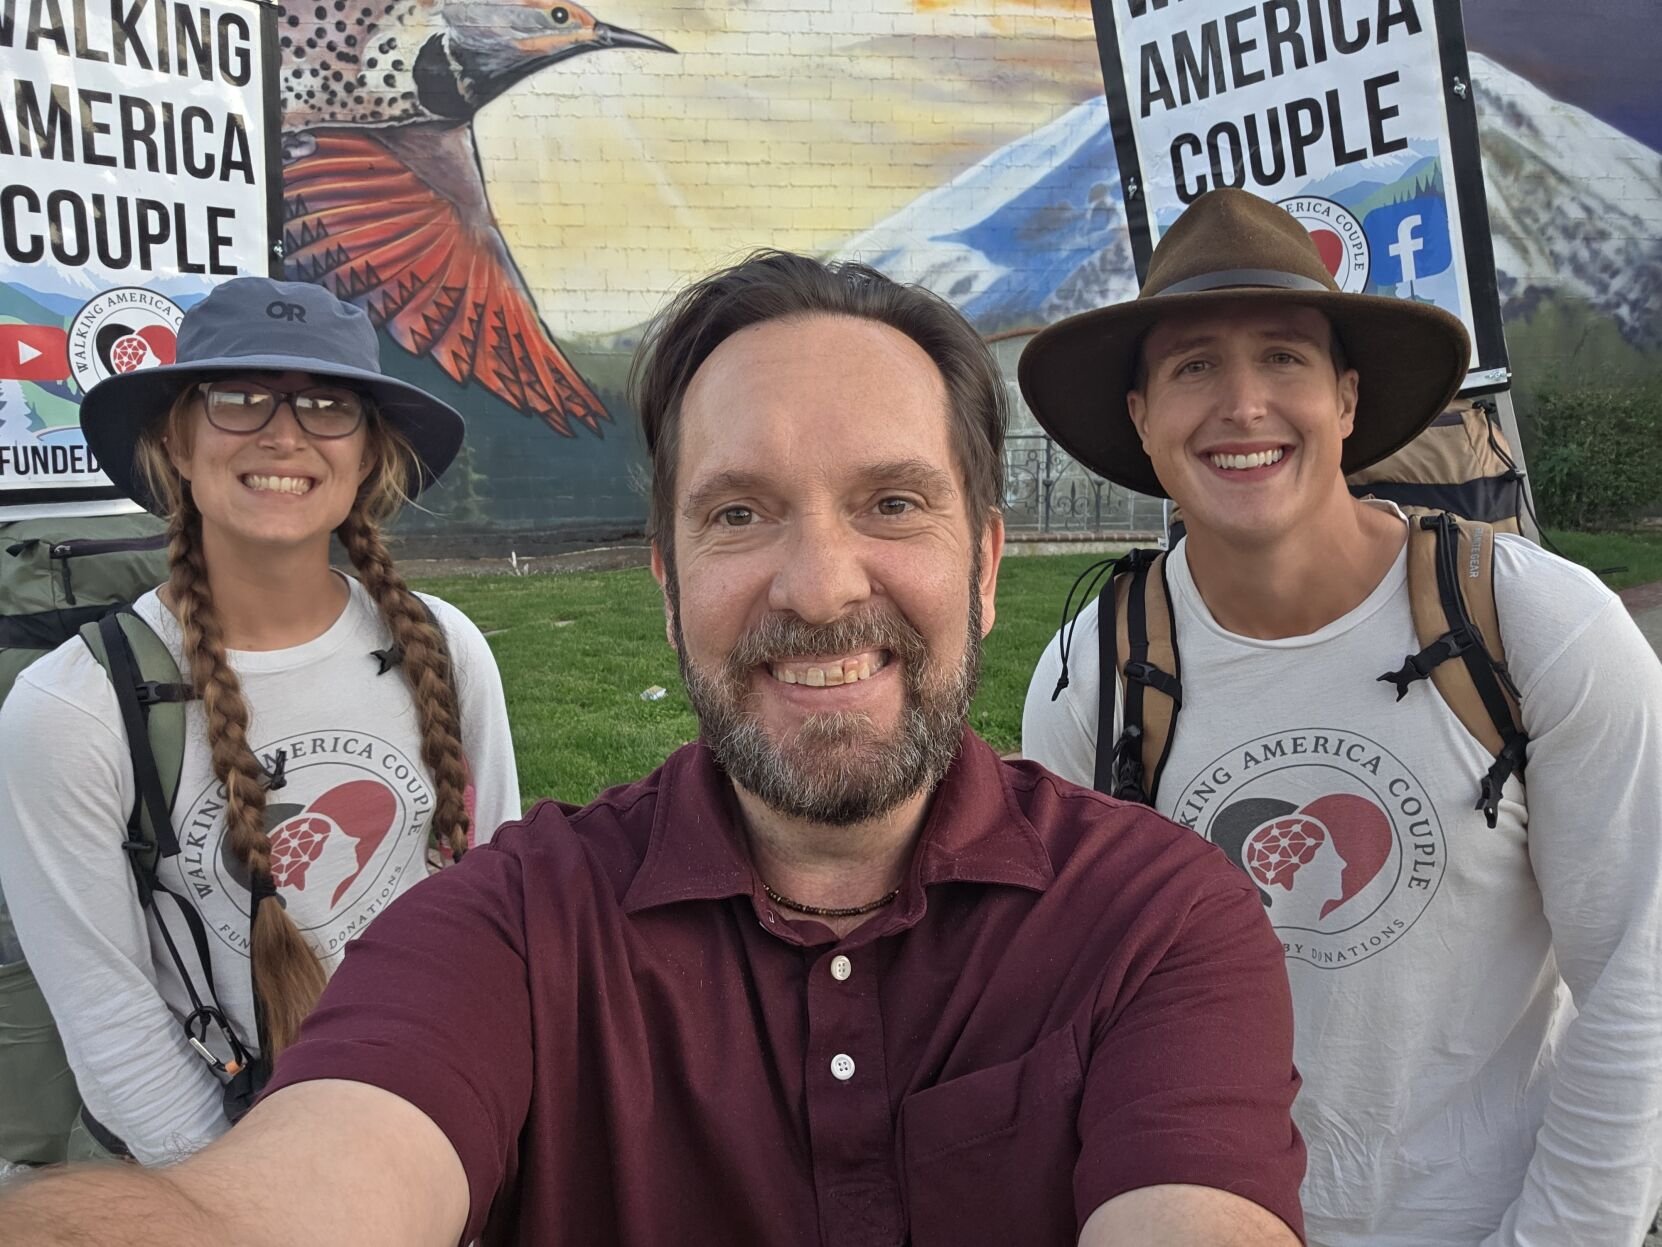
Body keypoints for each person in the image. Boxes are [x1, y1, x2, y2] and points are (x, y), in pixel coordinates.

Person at [0, 252, 1304, 1245]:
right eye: (739, 510)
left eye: (890, 500)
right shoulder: (516, 928)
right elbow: (284, 1191)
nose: (817, 580)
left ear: (985, 561)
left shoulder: (1152, 917)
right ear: (668, 583)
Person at [1019, 189, 1662, 1246]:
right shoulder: (1092, 675)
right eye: (1192, 367)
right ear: (1140, 416)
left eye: (1283, 357)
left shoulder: (1538, 625)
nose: (1242, 405)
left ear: (1348, 398)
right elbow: (1076, 1014)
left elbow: (1639, 979)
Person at [0, 277, 520, 1165]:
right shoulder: (69, 710)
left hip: (445, 1122)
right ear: (176, 435)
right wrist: (262, 1204)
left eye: (327, 404)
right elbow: (113, 1027)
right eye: (238, 399)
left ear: (367, 453)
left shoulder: (444, 645)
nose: (284, 433)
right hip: (229, 1166)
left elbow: (505, 898)